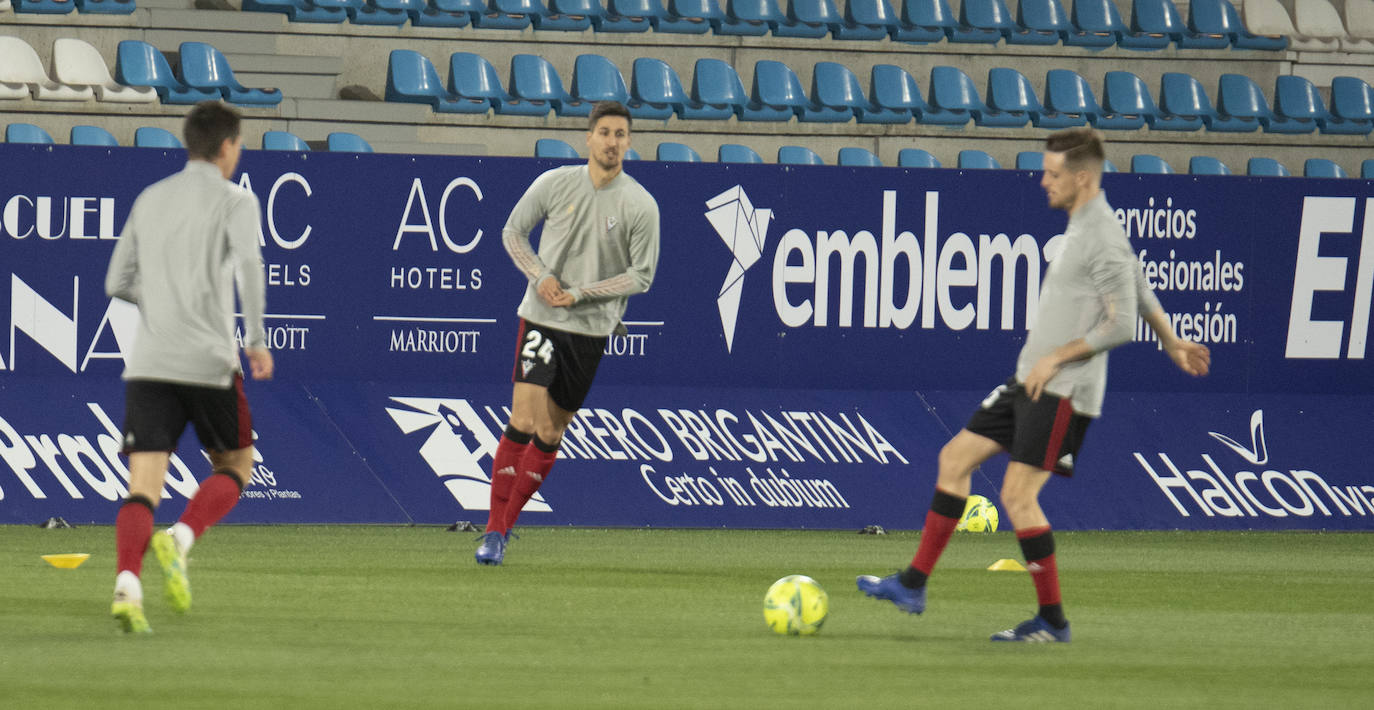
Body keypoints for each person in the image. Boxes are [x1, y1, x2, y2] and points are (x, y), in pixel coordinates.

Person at [857, 128, 1211, 642]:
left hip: (1064, 391)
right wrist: (1174, 339)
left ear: (1082, 177)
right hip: (1031, 381)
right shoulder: (1086, 226)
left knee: (1019, 499)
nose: (1043, 181)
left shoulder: (1102, 235)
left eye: (1053, 173)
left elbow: (1120, 323)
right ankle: (912, 584)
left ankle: (1052, 621)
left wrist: (1058, 358)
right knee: (955, 460)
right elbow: (1138, 285)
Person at [104, 101, 273, 633]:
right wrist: (259, 338)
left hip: (151, 360)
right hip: (209, 360)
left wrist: (159, 304)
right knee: (235, 467)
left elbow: (115, 282)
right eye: (239, 145)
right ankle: (179, 539)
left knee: (142, 487)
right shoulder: (235, 201)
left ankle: (127, 585)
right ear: (225, 147)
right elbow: (249, 266)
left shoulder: (150, 198)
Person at [476, 102, 661, 565]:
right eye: (604, 132)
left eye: (620, 134)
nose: (612, 141)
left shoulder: (640, 203)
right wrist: (540, 276)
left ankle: (508, 524)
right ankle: (493, 532)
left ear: (629, 142)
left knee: (553, 429)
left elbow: (642, 276)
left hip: (591, 329)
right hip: (541, 317)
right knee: (524, 418)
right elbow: (513, 232)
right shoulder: (555, 183)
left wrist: (582, 294)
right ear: (588, 138)